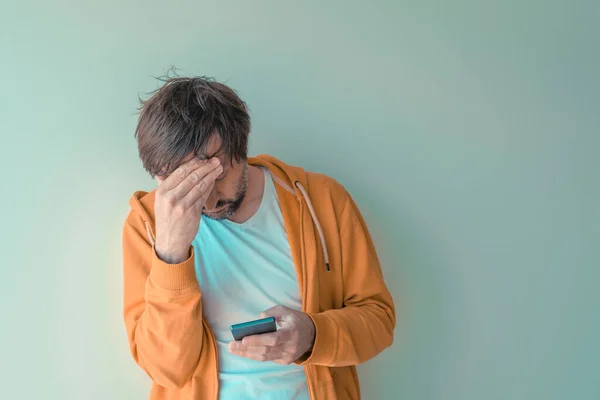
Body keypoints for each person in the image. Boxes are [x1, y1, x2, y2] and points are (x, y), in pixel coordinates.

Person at [121, 75, 396, 400]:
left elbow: (378, 321)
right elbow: (167, 368)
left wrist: (312, 335)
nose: (207, 202)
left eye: (216, 176)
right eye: (187, 184)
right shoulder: (147, 225)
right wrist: (171, 252)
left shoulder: (323, 201)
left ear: (242, 147)